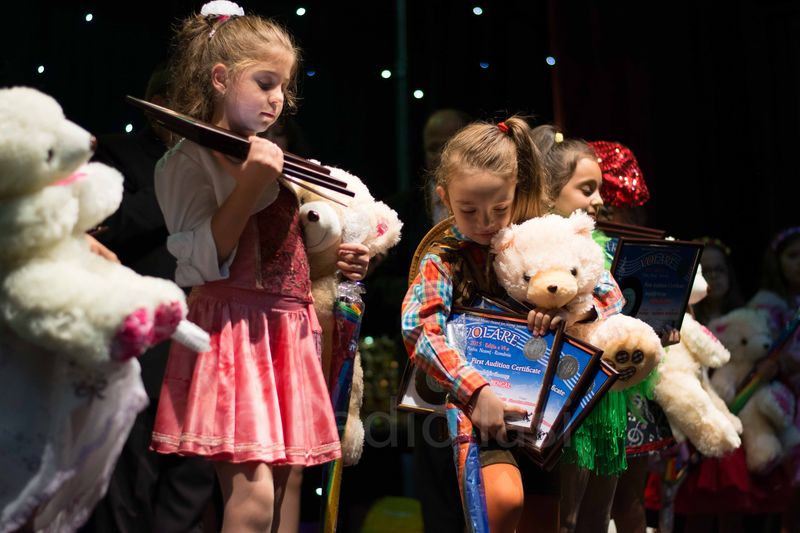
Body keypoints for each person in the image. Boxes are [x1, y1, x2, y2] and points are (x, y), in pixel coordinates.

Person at [149, 3, 370, 532]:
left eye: (284, 88)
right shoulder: (187, 160)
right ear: (220, 78)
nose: (278, 100)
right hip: (235, 335)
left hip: (285, 332)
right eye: (266, 83)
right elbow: (200, 262)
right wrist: (249, 183)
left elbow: (281, 250)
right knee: (251, 502)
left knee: (284, 498)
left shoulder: (269, 157)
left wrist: (333, 259)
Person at [402, 117, 623, 532]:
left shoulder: (545, 236)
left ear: (517, 191)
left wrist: (570, 310)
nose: (485, 222)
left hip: (546, 412)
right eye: (468, 210)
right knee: (503, 503)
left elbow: (611, 298)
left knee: (546, 519)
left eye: (499, 208)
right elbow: (419, 329)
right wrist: (475, 390)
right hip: (482, 413)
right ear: (444, 198)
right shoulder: (444, 259)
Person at [83, 65, 220, 533]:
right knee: (128, 477)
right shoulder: (113, 153)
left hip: (207, 332)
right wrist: (184, 185)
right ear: (160, 107)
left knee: (193, 477)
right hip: (139, 341)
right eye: (191, 106)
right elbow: (107, 226)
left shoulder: (221, 165)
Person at [692, 237, 744, 326]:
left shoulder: (746, 317)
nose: (714, 276)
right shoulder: (687, 321)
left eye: (719, 269)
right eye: (706, 271)